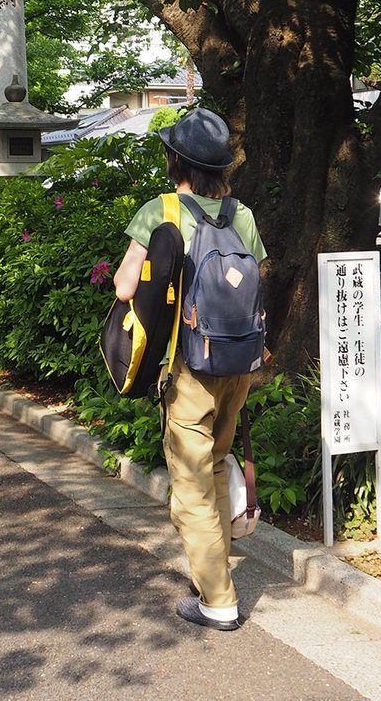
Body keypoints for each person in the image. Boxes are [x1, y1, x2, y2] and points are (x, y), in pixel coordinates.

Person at [112, 108, 266, 632]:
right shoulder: (241, 213)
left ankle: (218, 600)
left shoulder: (161, 211)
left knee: (193, 486)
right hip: (238, 363)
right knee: (217, 465)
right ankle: (213, 570)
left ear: (175, 159)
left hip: (190, 370)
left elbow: (125, 287)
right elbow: (252, 283)